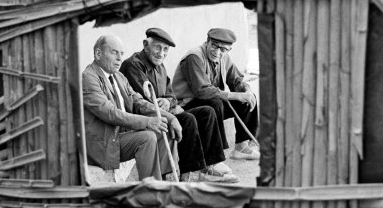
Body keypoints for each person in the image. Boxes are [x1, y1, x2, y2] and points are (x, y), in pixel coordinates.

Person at [120, 28, 238, 183]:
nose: (161, 53)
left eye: (165, 49)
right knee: (188, 120)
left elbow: (172, 96)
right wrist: (167, 108)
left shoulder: (159, 66)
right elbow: (141, 104)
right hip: (147, 119)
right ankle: (185, 177)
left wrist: (168, 101)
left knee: (207, 112)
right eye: (157, 47)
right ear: (145, 45)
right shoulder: (133, 66)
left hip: (166, 112)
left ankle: (209, 167)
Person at [82, 34, 182, 180]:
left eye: (121, 53)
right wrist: (148, 122)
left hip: (122, 136)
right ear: (98, 54)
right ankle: (152, 192)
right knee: (147, 137)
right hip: (104, 142)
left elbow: (139, 102)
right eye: (114, 52)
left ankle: (166, 181)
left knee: (166, 130)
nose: (119, 58)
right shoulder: (89, 77)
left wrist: (170, 118)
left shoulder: (119, 77)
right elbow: (111, 113)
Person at [172, 28, 260, 160]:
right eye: (214, 46)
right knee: (216, 102)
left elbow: (236, 80)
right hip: (186, 106)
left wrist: (246, 90)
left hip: (211, 103)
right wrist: (235, 95)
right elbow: (202, 91)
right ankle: (216, 156)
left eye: (223, 49)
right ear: (207, 42)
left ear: (228, 50)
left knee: (247, 99)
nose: (217, 52)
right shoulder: (194, 57)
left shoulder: (225, 57)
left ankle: (242, 147)